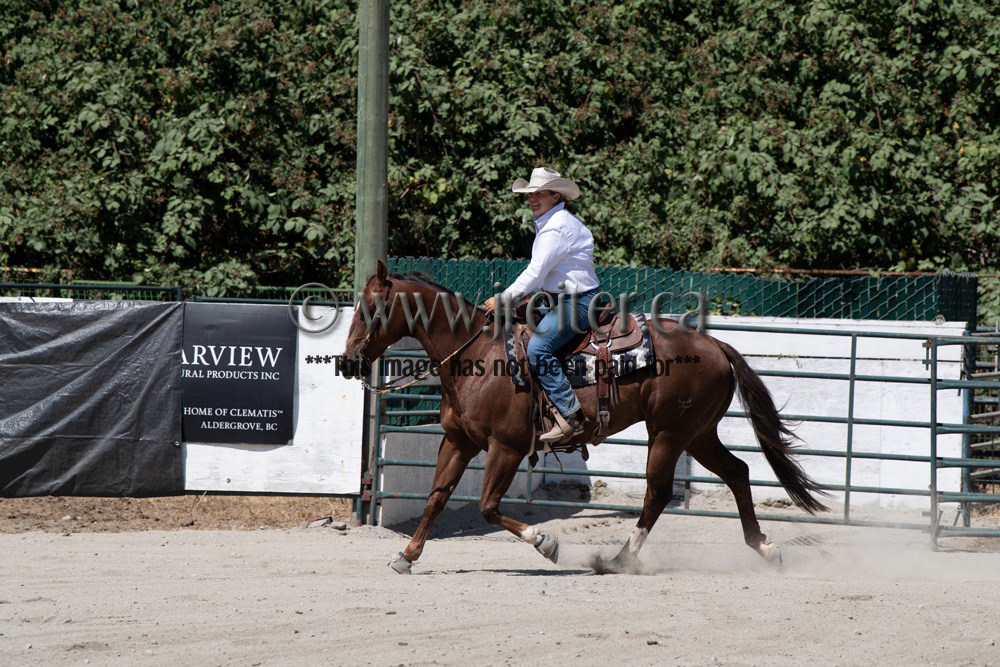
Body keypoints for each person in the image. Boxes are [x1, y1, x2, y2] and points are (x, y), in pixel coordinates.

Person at [484, 167, 600, 443]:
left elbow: (536, 272)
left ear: (555, 196)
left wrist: (504, 298)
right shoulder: (552, 222)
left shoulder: (557, 227)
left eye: (539, 193)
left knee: (537, 348)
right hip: (558, 300)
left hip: (577, 303)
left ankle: (571, 415)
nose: (532, 199)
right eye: (530, 194)